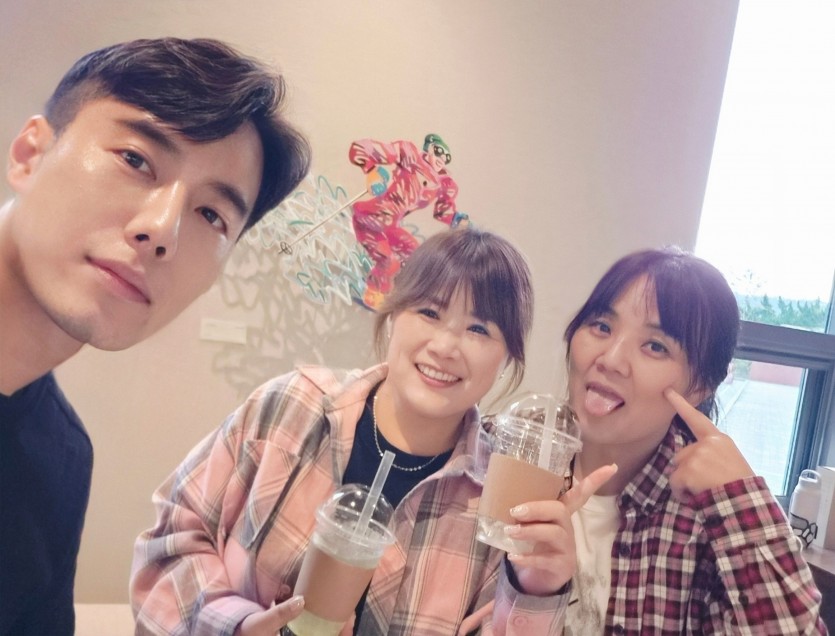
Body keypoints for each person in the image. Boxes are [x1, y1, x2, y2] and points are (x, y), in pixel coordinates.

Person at [130, 228, 614, 635]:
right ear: (394, 312)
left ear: (507, 357)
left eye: (479, 330)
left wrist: (536, 588)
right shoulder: (291, 409)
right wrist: (236, 626)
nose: (446, 346)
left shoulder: (496, 500)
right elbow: (171, 541)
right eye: (429, 312)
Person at [0, 37, 310, 636]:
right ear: (30, 153)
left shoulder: (58, 460)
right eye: (136, 160)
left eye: (211, 215)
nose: (162, 229)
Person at [555, 247, 826, 633]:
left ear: (700, 386)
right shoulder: (511, 450)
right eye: (601, 326)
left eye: (655, 346)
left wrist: (740, 503)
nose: (611, 359)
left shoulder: (710, 518)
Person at [349, 134, 469, 310]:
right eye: (438, 151)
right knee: (389, 261)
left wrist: (457, 220)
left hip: (391, 226)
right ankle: (374, 295)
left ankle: (403, 297)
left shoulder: (442, 182)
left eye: (446, 157)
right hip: (372, 217)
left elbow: (443, 210)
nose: (442, 159)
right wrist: (372, 171)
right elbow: (362, 148)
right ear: (428, 148)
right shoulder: (410, 155)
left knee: (417, 258)